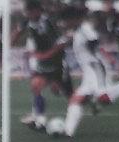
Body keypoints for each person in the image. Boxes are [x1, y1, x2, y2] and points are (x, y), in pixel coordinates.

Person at [61, 6, 119, 138]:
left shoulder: (84, 28)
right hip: (88, 70)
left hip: (96, 67)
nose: (64, 23)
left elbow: (94, 42)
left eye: (66, 20)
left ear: (73, 19)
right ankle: (67, 132)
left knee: (104, 98)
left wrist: (102, 55)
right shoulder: (78, 30)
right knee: (76, 99)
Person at [11, 0, 73, 131]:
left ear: (39, 10)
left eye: (33, 11)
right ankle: (40, 120)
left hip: (58, 63)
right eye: (28, 12)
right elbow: (15, 35)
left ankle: (73, 119)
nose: (30, 14)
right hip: (43, 65)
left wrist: (45, 55)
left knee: (69, 95)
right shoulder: (27, 22)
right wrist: (11, 41)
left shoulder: (49, 22)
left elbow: (62, 43)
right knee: (36, 86)